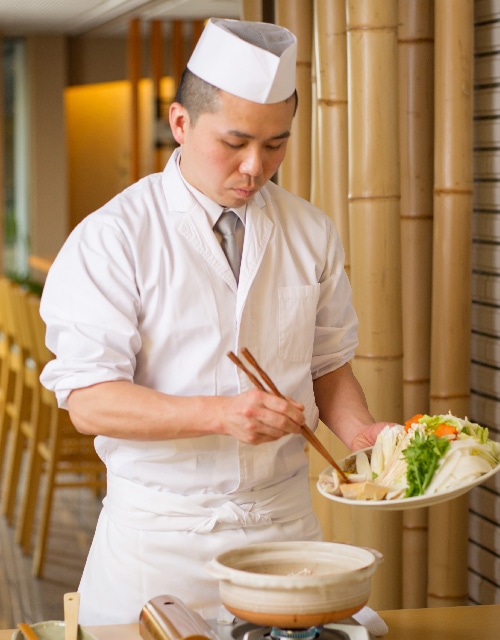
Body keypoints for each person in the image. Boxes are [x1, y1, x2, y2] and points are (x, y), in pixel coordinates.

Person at [40, 18, 389, 625]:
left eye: (276, 144)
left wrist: (362, 437)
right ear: (180, 123)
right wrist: (220, 415)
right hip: (158, 539)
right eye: (235, 143)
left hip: (284, 537)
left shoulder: (310, 231)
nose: (256, 166)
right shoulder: (114, 237)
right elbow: (89, 401)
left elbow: (327, 364)